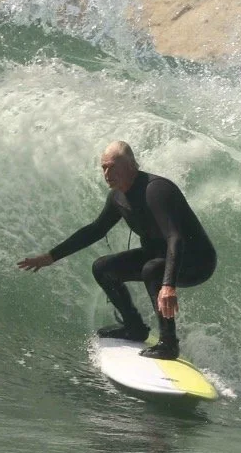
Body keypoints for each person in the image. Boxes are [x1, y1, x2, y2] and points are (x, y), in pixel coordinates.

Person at [16, 141, 217, 360]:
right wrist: (50, 256)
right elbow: (95, 230)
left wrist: (168, 286)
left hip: (196, 261)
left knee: (152, 269)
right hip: (158, 256)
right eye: (104, 167)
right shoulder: (118, 196)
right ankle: (134, 327)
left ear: (131, 166)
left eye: (112, 167)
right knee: (103, 268)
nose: (107, 173)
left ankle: (168, 344)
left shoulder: (156, 190)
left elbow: (175, 237)